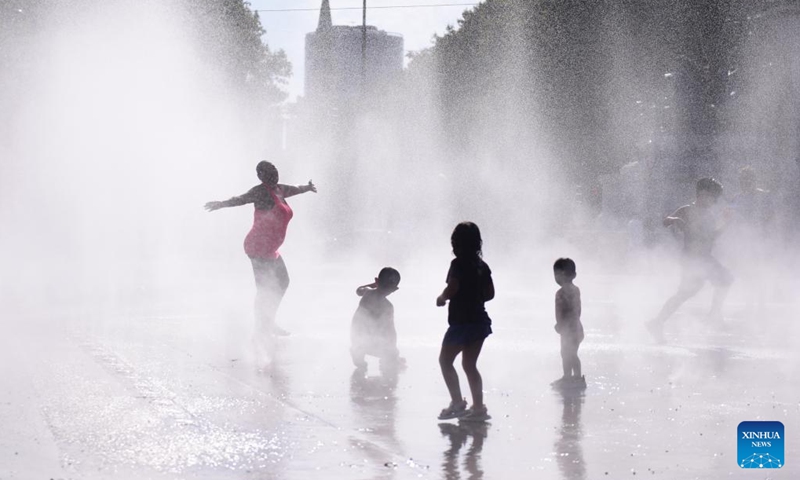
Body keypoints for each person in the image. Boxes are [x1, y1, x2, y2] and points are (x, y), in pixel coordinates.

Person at [205, 160, 316, 347]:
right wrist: (221, 204)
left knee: (283, 282)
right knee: (265, 289)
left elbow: (295, 188)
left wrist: (307, 187)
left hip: (270, 249)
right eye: (269, 172)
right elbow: (240, 199)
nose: (274, 174)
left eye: (275, 170)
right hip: (258, 247)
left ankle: (268, 322)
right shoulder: (262, 191)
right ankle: (261, 328)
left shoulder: (280, 190)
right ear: (261, 176)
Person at [647, 177, 733, 342]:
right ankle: (712, 315)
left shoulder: (709, 215)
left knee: (689, 292)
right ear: (701, 194)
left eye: (714, 199)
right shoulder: (687, 209)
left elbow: (712, 237)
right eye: (711, 197)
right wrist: (675, 220)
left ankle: (657, 322)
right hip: (692, 258)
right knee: (719, 282)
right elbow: (665, 221)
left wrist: (726, 224)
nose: (713, 201)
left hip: (703, 258)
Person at [436, 222, 494, 422]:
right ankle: (478, 408)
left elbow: (453, 286)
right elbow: (490, 294)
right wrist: (474, 296)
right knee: (470, 365)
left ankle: (457, 403)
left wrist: (442, 297)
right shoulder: (482, 266)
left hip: (462, 322)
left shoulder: (458, 264)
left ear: (456, 243)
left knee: (445, 361)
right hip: (479, 322)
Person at [350, 267, 405, 372]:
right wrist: (393, 351)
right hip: (368, 340)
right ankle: (386, 361)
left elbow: (358, 290)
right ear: (394, 289)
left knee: (360, 348)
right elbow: (390, 332)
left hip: (355, 336)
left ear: (376, 281)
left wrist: (373, 285)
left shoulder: (367, 292)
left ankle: (357, 354)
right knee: (392, 353)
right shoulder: (387, 306)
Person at [551, 258, 586, 388]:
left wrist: (562, 324)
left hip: (570, 329)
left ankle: (574, 377)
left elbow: (567, 311)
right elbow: (577, 310)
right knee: (568, 353)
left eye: (557, 274)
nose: (556, 277)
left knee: (569, 353)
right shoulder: (575, 290)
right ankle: (571, 377)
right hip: (575, 327)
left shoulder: (561, 293)